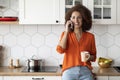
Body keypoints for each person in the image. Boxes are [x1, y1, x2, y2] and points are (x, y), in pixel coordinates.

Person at [56, 4, 97, 80]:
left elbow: (94, 57)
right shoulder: (66, 34)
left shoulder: (90, 37)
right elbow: (60, 50)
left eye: (79, 18)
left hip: (85, 71)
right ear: (69, 19)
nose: (76, 20)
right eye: (73, 17)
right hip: (69, 71)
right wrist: (66, 31)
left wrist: (88, 57)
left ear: (83, 19)